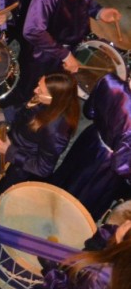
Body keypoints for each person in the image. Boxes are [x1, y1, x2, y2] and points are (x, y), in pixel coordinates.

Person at [0, 72, 79, 224]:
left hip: (20, 168)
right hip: (11, 146)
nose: (35, 90)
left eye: (41, 90)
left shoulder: (57, 131)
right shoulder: (45, 101)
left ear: (54, 98)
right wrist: (5, 115)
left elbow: (44, 168)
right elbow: (24, 109)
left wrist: (11, 152)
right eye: (38, 85)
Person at [52, 73, 131, 220]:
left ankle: (48, 202)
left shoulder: (109, 81)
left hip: (91, 139)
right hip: (104, 165)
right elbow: (121, 165)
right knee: (83, 197)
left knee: (69, 174)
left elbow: (89, 111)